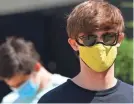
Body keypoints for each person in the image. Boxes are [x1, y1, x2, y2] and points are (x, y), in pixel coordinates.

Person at [38, 0, 133, 103]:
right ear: (74, 44)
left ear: (119, 39)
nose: (100, 45)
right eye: (89, 39)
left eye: (108, 37)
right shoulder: (52, 101)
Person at [0, 37, 68, 104]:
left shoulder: (68, 91)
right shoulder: (9, 101)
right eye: (13, 87)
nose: (19, 90)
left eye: (21, 84)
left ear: (36, 67)